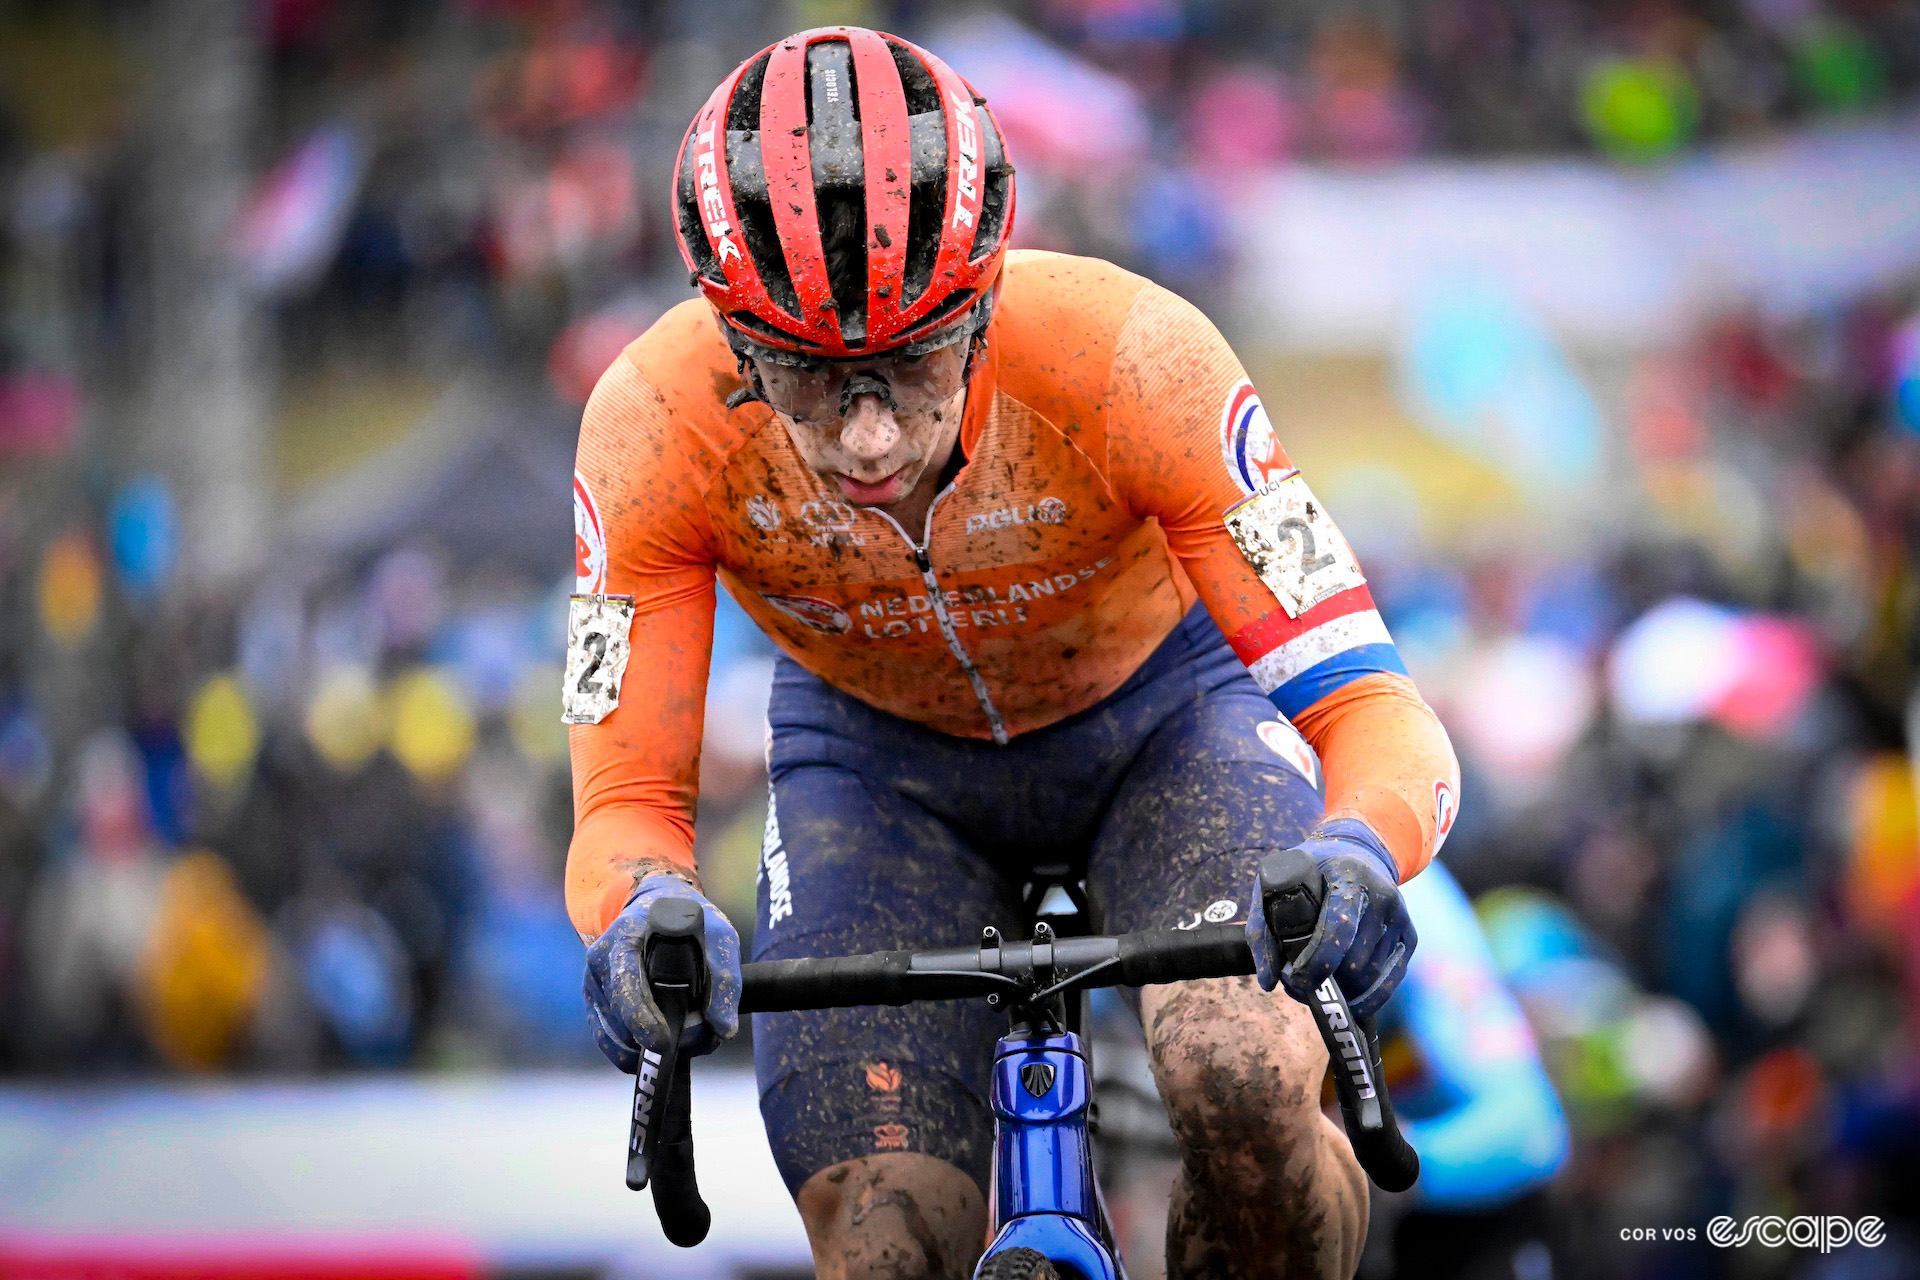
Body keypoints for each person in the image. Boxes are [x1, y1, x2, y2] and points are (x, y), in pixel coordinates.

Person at [568, 26, 1459, 1280]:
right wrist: (641, 909)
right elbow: (623, 806)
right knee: (880, 1235)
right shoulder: (651, 423)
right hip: (879, 778)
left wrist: (1361, 844)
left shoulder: (1134, 356)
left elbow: (1374, 704)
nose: (869, 434)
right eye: (811, 379)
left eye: (914, 358)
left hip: (1166, 723)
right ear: (733, 335)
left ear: (985, 298)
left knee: (1243, 1079)